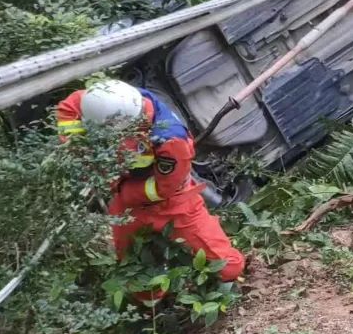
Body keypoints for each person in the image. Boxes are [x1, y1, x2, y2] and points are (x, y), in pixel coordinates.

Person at [56, 80, 245, 295]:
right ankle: (150, 309)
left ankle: (233, 284)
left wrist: (122, 191)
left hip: (171, 201)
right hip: (127, 197)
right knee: (131, 268)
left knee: (227, 266)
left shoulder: (170, 140)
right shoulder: (100, 101)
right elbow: (68, 109)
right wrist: (80, 151)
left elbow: (167, 186)